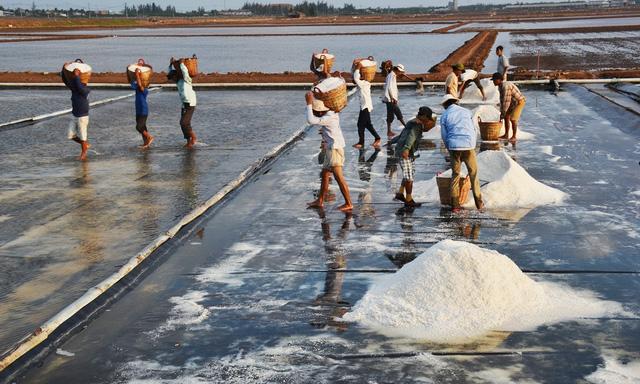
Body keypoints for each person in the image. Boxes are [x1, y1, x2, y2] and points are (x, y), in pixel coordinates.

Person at [305, 91, 353, 212]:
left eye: (317, 112)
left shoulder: (328, 117)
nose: (316, 113)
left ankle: (349, 203)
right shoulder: (331, 112)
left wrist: (309, 104)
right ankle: (320, 200)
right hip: (331, 148)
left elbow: (311, 120)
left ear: (321, 111)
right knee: (325, 174)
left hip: (334, 149)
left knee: (338, 177)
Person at [440, 94, 484, 213]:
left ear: (445, 104)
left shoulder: (444, 115)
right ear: (455, 102)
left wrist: (450, 148)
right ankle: (479, 203)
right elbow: (474, 128)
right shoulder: (467, 112)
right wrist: (472, 144)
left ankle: (455, 205)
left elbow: (444, 135)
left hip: (454, 146)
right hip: (469, 145)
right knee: (474, 174)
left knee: (455, 175)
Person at [393, 106, 437, 208]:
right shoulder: (417, 125)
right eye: (428, 118)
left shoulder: (412, 121)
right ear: (424, 116)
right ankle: (408, 200)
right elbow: (411, 136)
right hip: (405, 152)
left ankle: (400, 194)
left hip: (406, 151)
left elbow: (403, 134)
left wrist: (393, 141)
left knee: (409, 173)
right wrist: (406, 149)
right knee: (409, 178)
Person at [61, 62, 91, 161]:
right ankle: (85, 145)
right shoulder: (75, 88)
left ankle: (83, 154)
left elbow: (79, 86)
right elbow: (66, 81)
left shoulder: (85, 90)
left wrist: (76, 76)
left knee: (83, 136)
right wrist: (63, 70)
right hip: (75, 115)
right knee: (71, 135)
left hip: (82, 116)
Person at [169, 57, 197, 148]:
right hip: (184, 104)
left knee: (183, 123)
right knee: (185, 124)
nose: (172, 79)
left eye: (173, 77)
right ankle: (188, 141)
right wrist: (170, 65)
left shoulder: (186, 80)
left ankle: (193, 137)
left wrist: (181, 64)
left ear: (176, 76)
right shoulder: (178, 82)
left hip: (190, 103)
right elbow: (171, 72)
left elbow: (185, 73)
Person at [352, 61, 381, 149]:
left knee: (360, 124)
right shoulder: (363, 83)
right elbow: (354, 77)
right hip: (364, 106)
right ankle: (377, 138)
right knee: (367, 124)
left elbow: (356, 79)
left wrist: (358, 67)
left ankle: (362, 142)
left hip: (365, 106)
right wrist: (354, 66)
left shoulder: (364, 83)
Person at [491, 72, 526, 142]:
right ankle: (506, 135)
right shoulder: (500, 86)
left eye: (494, 80)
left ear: (499, 80)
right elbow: (502, 99)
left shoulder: (505, 86)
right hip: (512, 103)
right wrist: (502, 112)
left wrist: (503, 112)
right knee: (506, 117)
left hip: (519, 102)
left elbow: (506, 101)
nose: (493, 82)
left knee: (513, 119)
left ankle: (514, 136)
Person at [131, 61, 154, 149]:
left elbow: (141, 86)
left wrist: (137, 74)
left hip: (143, 110)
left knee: (139, 127)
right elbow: (132, 81)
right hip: (138, 110)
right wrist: (133, 70)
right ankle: (146, 143)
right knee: (143, 126)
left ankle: (149, 137)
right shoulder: (136, 86)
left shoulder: (144, 88)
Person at [383, 64, 408, 138]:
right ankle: (407, 127)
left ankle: (389, 131)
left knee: (390, 115)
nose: (400, 73)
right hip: (390, 99)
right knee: (398, 113)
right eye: (400, 71)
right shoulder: (391, 76)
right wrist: (392, 98)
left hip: (391, 99)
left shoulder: (393, 75)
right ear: (397, 69)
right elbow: (389, 88)